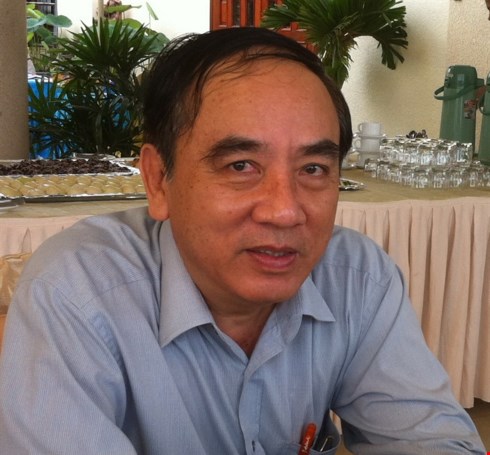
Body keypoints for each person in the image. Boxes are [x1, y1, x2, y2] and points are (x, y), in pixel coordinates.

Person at [0, 27, 485, 454]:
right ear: (159, 180)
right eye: (240, 166)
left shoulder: (357, 280)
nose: (285, 211)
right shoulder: (76, 295)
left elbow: (430, 439)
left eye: (313, 168)